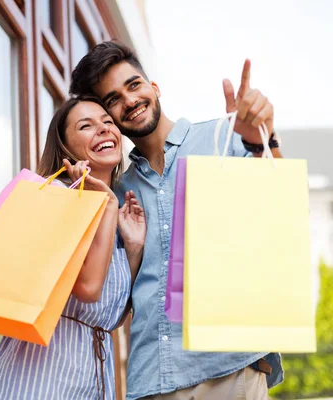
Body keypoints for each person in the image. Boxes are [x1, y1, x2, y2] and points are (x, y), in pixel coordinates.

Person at [69, 41, 284, 400]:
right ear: (110, 116)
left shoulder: (222, 140)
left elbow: (282, 208)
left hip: (229, 368)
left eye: (134, 85)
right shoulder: (115, 193)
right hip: (153, 378)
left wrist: (261, 141)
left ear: (154, 87)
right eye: (113, 99)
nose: (130, 100)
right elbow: (113, 301)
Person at [0, 96, 146, 400]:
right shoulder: (55, 196)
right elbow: (87, 287)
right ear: (66, 146)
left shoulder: (118, 213)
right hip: (39, 379)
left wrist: (134, 248)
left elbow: (109, 315)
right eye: (86, 126)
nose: (103, 129)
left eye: (107, 122)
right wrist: (108, 205)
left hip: (93, 381)